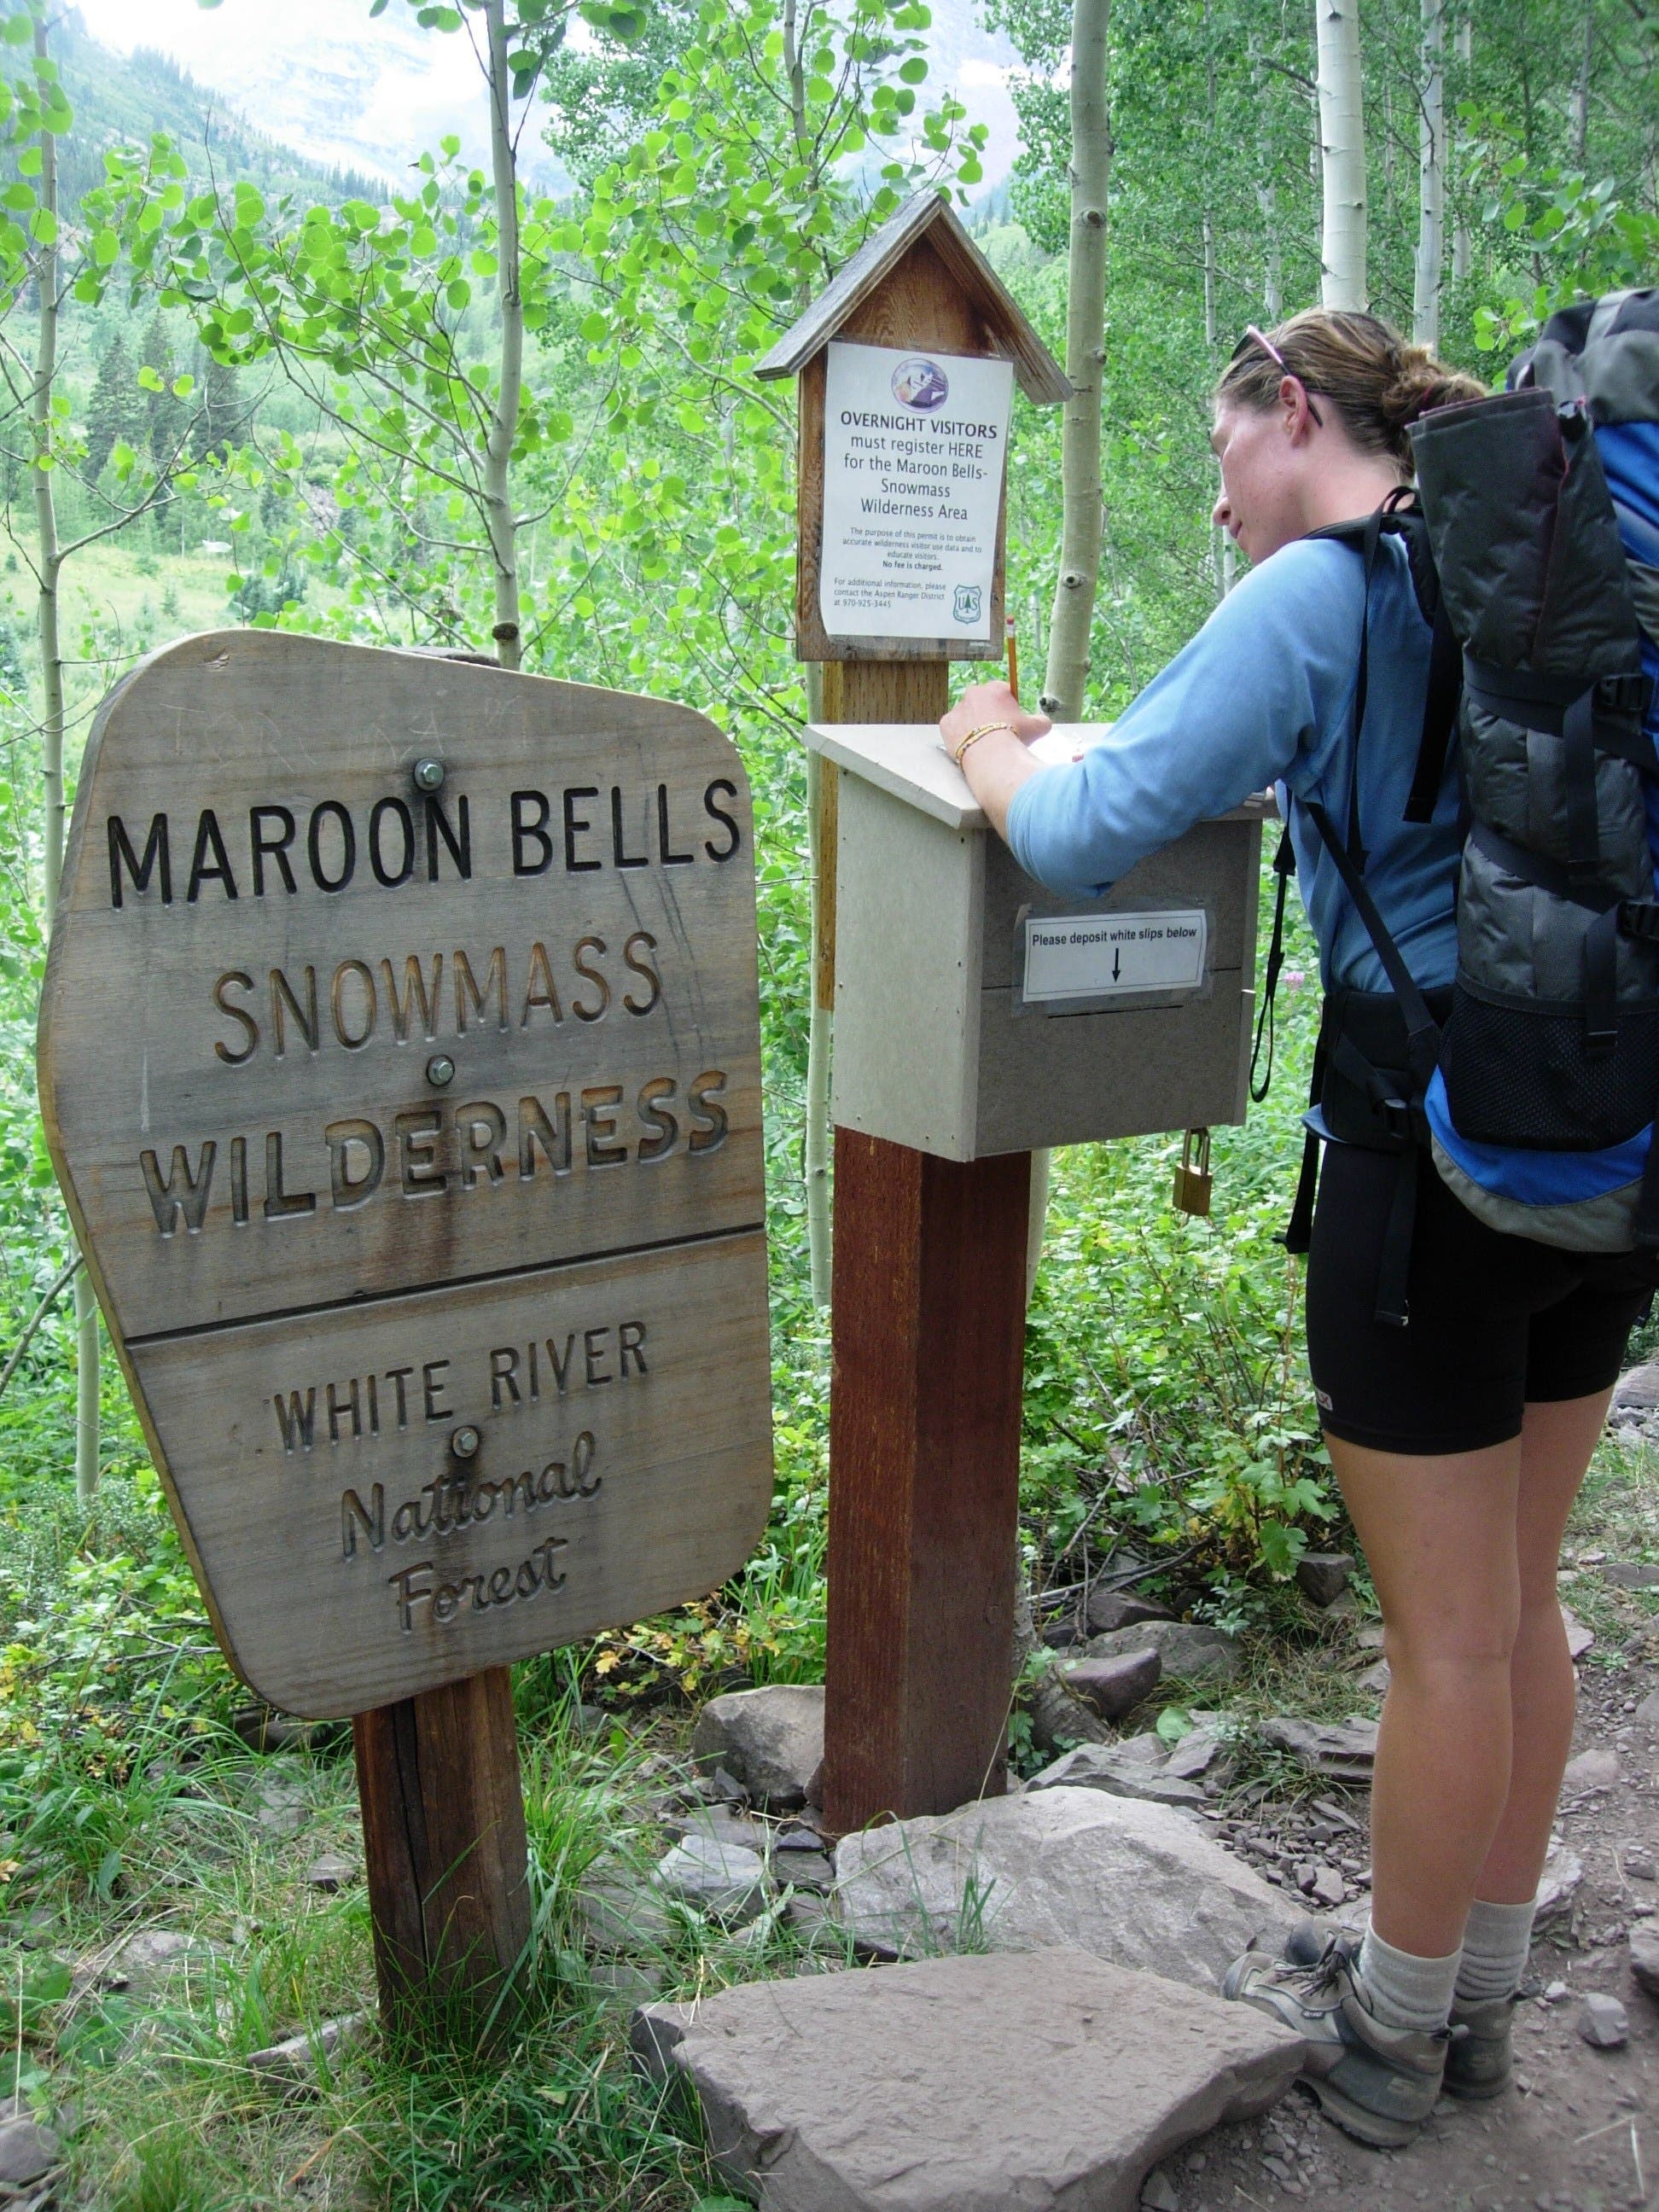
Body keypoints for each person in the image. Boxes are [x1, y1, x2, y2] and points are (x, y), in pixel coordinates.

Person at [939, 309, 1657, 2148]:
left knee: (1447, 1642)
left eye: (1221, 454)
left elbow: (1087, 829)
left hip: (1422, 1170)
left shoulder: (1322, 595)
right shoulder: (1534, 572)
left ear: (1291, 408)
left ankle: (1392, 2042)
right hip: (1596, 1135)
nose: (1220, 502)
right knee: (1515, 1601)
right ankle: (1482, 2002)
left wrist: (985, 739)